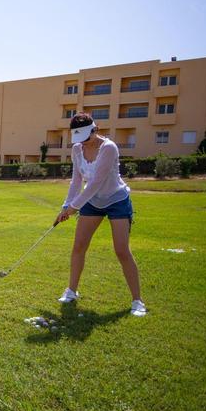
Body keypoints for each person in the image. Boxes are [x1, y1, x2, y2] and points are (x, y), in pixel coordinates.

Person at [55, 112, 147, 316]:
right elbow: (76, 181)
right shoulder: (77, 149)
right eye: (79, 138)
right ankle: (71, 291)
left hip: (117, 200)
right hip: (92, 202)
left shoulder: (109, 148)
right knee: (79, 246)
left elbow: (96, 182)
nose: (83, 142)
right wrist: (66, 205)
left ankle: (137, 301)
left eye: (86, 137)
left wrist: (74, 207)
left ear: (95, 130)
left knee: (121, 250)